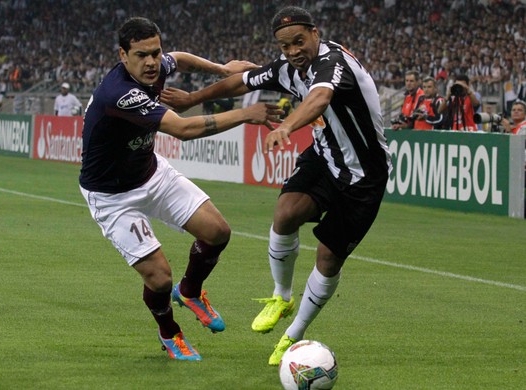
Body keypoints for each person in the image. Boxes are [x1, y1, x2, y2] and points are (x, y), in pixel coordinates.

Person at [161, 6, 391, 366]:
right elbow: (243, 80)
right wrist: (192, 99)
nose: (293, 51)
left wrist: (287, 127)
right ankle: (281, 297)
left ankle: (293, 335)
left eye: (299, 41)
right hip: (326, 156)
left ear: (315, 33)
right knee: (285, 214)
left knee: (328, 257)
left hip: (364, 176)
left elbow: (319, 98)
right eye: (286, 47)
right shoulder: (289, 68)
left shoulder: (332, 63)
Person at [79, 17, 281, 362]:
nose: (152, 62)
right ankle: (170, 333)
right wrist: (246, 113)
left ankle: (189, 292)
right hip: (113, 197)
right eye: (141, 55)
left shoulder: (156, 66)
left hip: (151, 172)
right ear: (122, 55)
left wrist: (221, 69)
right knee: (158, 278)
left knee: (217, 232)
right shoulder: (120, 94)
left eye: (155, 53)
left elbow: (181, 58)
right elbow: (184, 129)